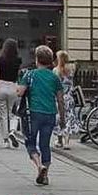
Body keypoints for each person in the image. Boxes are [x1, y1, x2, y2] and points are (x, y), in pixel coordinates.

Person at [18, 45, 65, 186]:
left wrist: (18, 88)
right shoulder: (54, 77)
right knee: (45, 144)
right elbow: (60, 99)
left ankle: (39, 166)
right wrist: (63, 118)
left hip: (34, 113)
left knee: (30, 142)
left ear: (37, 59)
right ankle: (45, 174)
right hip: (50, 113)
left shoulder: (30, 74)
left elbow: (20, 92)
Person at [0, 38, 22, 149]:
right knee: (12, 112)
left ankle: (5, 140)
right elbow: (18, 74)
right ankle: (13, 131)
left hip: (1, 86)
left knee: (3, 115)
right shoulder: (18, 60)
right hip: (13, 86)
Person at [53, 50, 80, 150]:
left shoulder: (56, 70)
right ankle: (67, 142)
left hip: (58, 97)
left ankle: (59, 140)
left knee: (59, 118)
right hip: (69, 97)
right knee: (69, 118)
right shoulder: (71, 69)